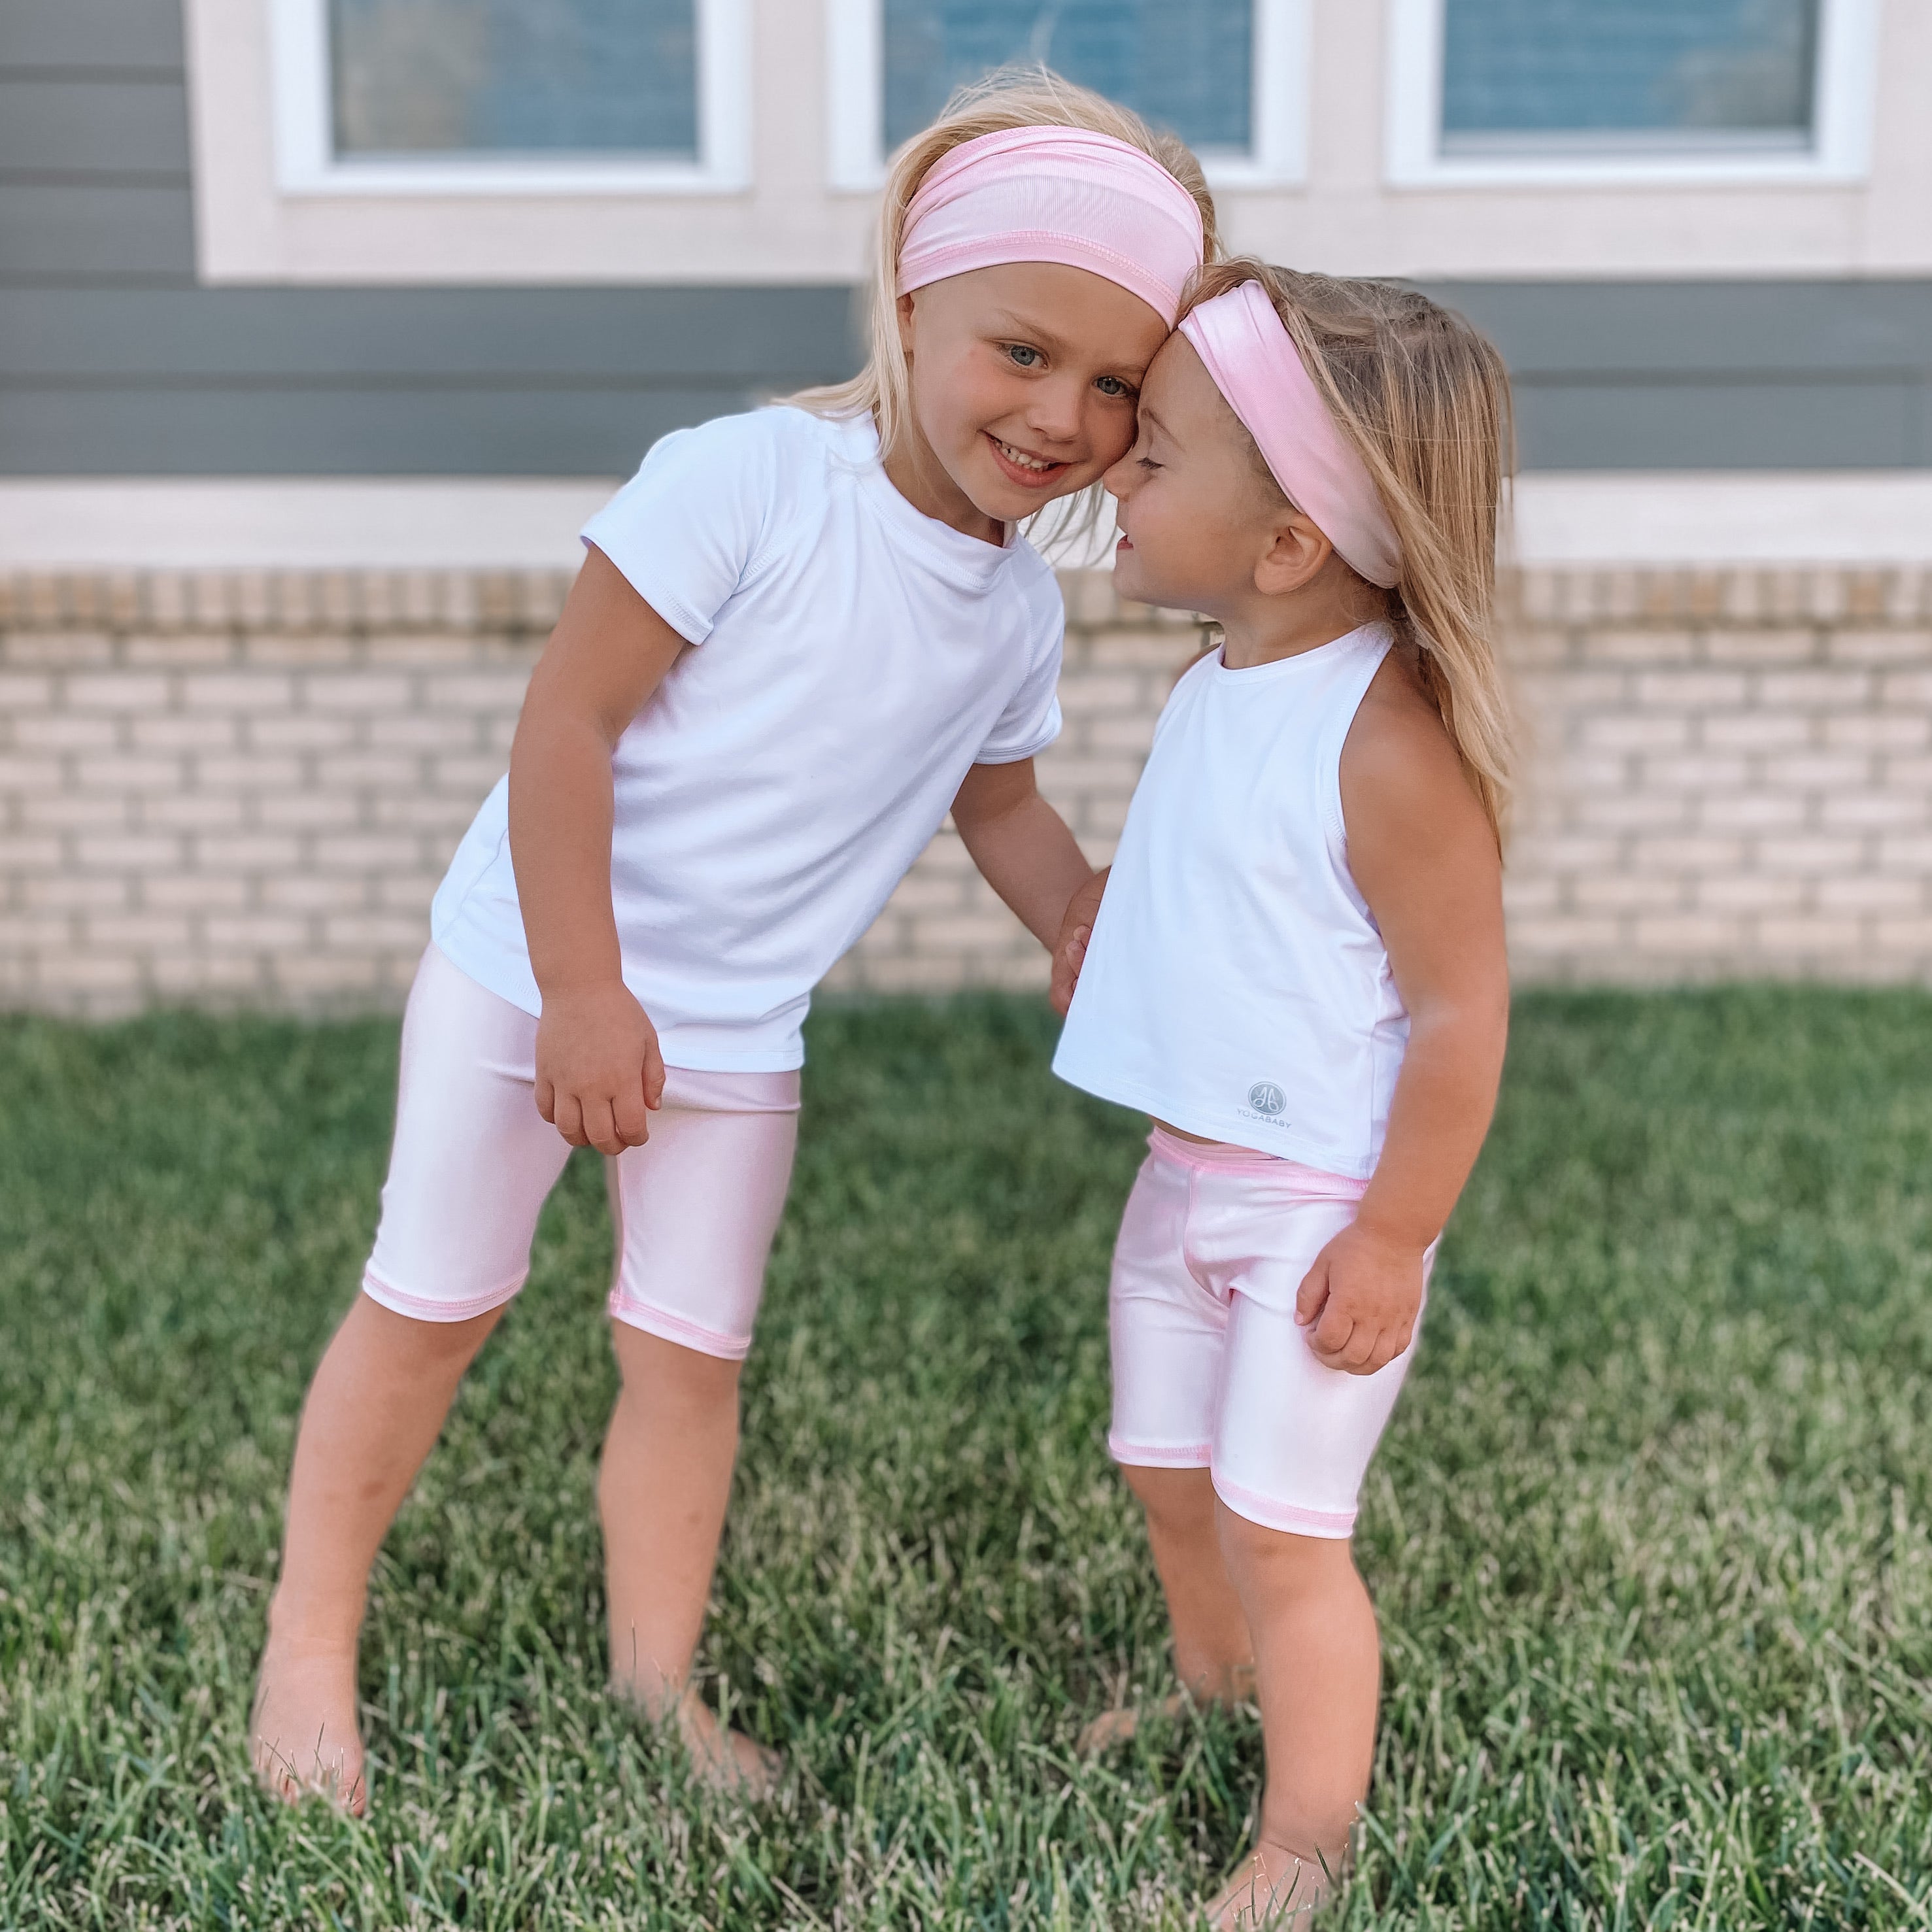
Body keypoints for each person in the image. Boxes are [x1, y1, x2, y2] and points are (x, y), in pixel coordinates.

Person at [249, 75, 1219, 1814]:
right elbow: (566, 727)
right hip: (530, 967)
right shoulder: (752, 481)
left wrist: (1082, 910)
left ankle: (658, 1687)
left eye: (1112, 387)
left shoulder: (1011, 603)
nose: (1059, 414)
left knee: (688, 1359)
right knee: (433, 1305)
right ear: (913, 304)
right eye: (1019, 351)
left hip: (738, 1031)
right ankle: (308, 1644)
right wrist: (583, 988)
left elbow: (992, 803)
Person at [1049, 260, 1515, 1923]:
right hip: (1181, 1179)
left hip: (1318, 1201)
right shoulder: (1217, 683)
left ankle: (1305, 1837)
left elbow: (1460, 1016)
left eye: (1153, 453)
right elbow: (1225, 884)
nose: (1111, 467)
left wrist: (1394, 1234)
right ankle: (1208, 1681)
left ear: (1285, 544)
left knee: (1281, 1524)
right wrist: (1114, 930)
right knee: (1165, 1471)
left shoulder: (1385, 744)